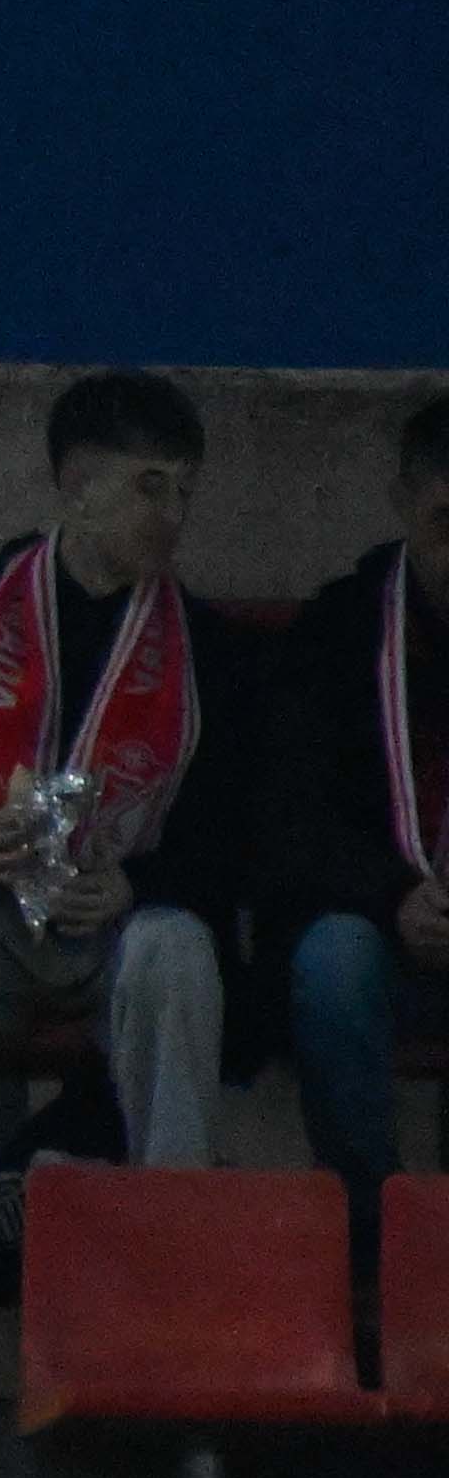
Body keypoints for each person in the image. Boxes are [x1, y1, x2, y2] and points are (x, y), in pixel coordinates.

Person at [0, 367, 247, 1303]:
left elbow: (232, 846)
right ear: (75, 488)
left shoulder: (211, 653)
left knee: (178, 949)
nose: (172, 517)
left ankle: (173, 1251)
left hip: (117, 926)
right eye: (147, 487)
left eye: (185, 491)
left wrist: (138, 883)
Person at [271, 387, 449, 1200]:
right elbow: (295, 817)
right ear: (404, 503)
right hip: (379, 925)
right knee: (332, 961)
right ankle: (368, 1223)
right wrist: (394, 896)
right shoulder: (342, 630)